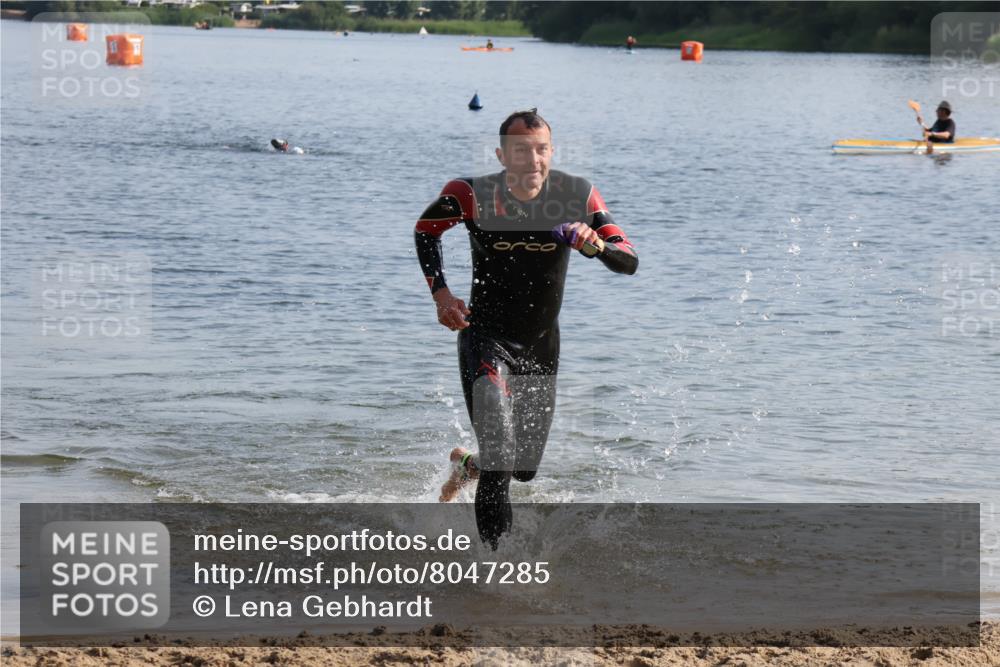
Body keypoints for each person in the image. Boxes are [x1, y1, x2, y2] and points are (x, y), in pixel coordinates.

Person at [414, 109, 638, 549]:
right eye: (520, 150)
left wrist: (596, 246)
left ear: (551, 152)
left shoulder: (577, 195)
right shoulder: (469, 194)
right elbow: (426, 232)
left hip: (540, 345)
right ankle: (497, 575)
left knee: (523, 468)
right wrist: (441, 294)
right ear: (502, 155)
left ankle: (466, 467)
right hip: (486, 339)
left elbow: (627, 257)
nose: (532, 160)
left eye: (541, 149)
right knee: (502, 455)